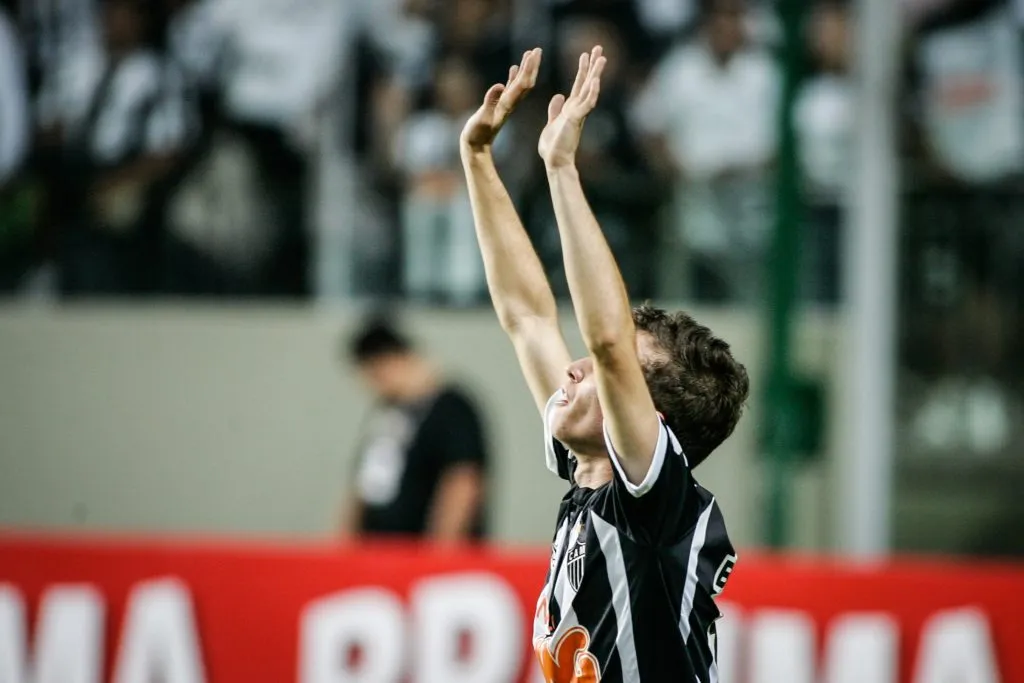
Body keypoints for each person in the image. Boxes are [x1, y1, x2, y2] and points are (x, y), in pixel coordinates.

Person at [460, 47, 748, 681]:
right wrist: (478, 159)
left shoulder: (657, 505)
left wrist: (562, 169)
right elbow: (528, 317)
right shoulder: (586, 470)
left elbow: (613, 342)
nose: (575, 369)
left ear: (652, 417)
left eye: (602, 370)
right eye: (584, 362)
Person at [341, 318, 490, 543]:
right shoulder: (387, 413)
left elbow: (463, 482)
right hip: (378, 554)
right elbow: (363, 485)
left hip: (420, 556)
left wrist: (439, 554)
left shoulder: (451, 409)